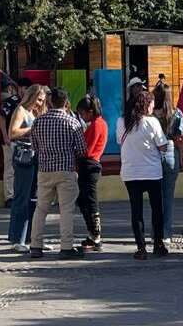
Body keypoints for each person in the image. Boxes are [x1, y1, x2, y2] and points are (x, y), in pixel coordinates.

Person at [28, 87, 86, 259]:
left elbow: (34, 147)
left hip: (45, 170)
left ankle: (35, 245)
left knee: (41, 208)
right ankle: (66, 247)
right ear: (66, 103)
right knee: (66, 209)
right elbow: (82, 149)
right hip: (66, 169)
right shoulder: (72, 122)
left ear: (50, 101)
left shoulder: (38, 121)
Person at [117, 89, 170, 259]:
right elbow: (162, 146)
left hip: (131, 172)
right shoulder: (152, 122)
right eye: (152, 103)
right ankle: (158, 244)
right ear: (146, 104)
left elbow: (120, 142)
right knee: (156, 209)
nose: (154, 106)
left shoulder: (121, 121)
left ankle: (141, 248)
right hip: (152, 172)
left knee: (136, 211)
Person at [7, 84, 46, 252]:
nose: (40, 103)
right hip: (23, 159)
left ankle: (31, 238)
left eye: (42, 101)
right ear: (31, 96)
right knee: (21, 198)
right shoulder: (21, 111)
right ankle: (17, 238)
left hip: (35, 157)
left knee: (33, 200)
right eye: (38, 99)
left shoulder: (34, 113)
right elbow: (12, 133)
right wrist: (33, 129)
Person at [153, 83, 183, 239]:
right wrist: (182, 157)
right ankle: (167, 233)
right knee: (168, 196)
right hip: (171, 151)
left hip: (155, 153)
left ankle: (156, 231)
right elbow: (179, 139)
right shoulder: (177, 113)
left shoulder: (151, 115)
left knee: (156, 196)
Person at [76, 94, 107, 251]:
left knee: (90, 201)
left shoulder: (97, 124)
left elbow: (87, 149)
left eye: (82, 114)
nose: (82, 117)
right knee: (83, 201)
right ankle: (92, 233)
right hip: (89, 164)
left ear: (89, 111)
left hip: (90, 164)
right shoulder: (96, 123)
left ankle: (96, 235)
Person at [0, 78, 30, 205]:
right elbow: (1, 118)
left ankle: (25, 194)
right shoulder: (11, 102)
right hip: (11, 141)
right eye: (23, 88)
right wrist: (5, 136)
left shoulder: (31, 103)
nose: (24, 91)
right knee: (10, 169)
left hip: (27, 141)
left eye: (27, 88)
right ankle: (10, 196)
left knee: (26, 169)